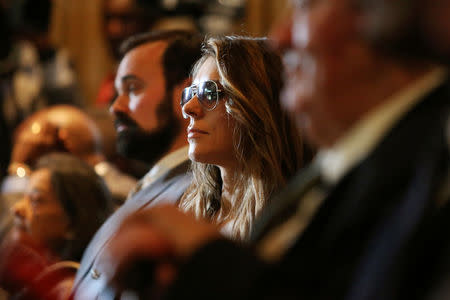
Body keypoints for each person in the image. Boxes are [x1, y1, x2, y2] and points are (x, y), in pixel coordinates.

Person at [96, 0, 450, 299]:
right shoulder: (335, 175)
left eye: (306, 7)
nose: (279, 38)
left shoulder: (429, 168)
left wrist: (210, 263)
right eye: (191, 94)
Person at [70, 30, 202, 299]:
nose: (115, 108)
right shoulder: (161, 181)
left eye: (132, 88)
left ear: (186, 94)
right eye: (117, 92)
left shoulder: (196, 196)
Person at [179, 36, 303, 240]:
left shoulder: (289, 224)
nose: (188, 108)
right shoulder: (190, 212)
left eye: (209, 93)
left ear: (258, 106)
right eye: (190, 93)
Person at [0, 153, 114, 300]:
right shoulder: (29, 270)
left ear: (73, 222)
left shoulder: (71, 292)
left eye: (36, 200)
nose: (17, 209)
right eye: (24, 197)